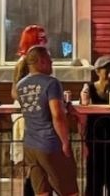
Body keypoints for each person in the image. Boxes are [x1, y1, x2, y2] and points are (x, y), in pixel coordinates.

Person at [15, 47, 79, 196]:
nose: (52, 63)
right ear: (41, 61)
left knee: (42, 191)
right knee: (69, 190)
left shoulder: (20, 85)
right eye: (50, 60)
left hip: (30, 145)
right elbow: (57, 115)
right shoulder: (51, 83)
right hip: (51, 143)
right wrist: (65, 142)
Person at [12, 25, 48, 196]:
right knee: (33, 166)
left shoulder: (43, 62)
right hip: (28, 119)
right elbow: (15, 91)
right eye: (40, 38)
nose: (45, 40)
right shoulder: (24, 63)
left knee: (39, 166)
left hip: (38, 119)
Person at [85, 56, 110, 196]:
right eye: (107, 71)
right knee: (94, 184)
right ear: (97, 72)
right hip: (95, 142)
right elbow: (83, 115)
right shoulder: (90, 89)